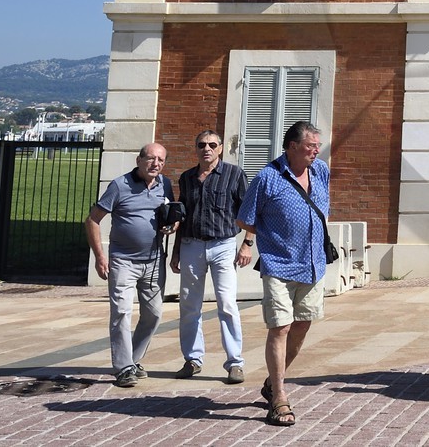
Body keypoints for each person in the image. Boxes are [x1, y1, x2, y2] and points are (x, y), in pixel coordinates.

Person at [237, 122, 330, 428]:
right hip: (278, 264)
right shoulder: (267, 178)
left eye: (317, 145)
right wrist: (251, 244)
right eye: (310, 146)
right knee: (280, 327)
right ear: (292, 146)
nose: (316, 151)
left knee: (302, 325)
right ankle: (278, 397)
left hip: (313, 264)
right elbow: (246, 218)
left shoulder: (321, 172)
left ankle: (272, 381)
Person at [84, 143, 176, 387]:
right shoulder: (119, 185)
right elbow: (92, 220)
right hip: (123, 261)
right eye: (151, 159)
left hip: (155, 260)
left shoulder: (165, 184)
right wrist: (100, 257)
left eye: (161, 160)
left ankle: (133, 360)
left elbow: (171, 216)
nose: (156, 164)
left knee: (154, 314)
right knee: (122, 313)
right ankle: (123, 367)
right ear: (139, 160)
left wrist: (172, 225)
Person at [170, 129, 252, 383]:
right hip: (191, 244)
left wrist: (247, 244)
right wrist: (175, 251)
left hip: (223, 244)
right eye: (201, 145)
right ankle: (193, 359)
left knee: (227, 304)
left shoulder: (234, 175)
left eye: (212, 144)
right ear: (195, 149)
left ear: (220, 149)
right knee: (189, 305)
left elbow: (248, 211)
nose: (206, 148)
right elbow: (181, 218)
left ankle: (235, 362)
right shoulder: (186, 178)